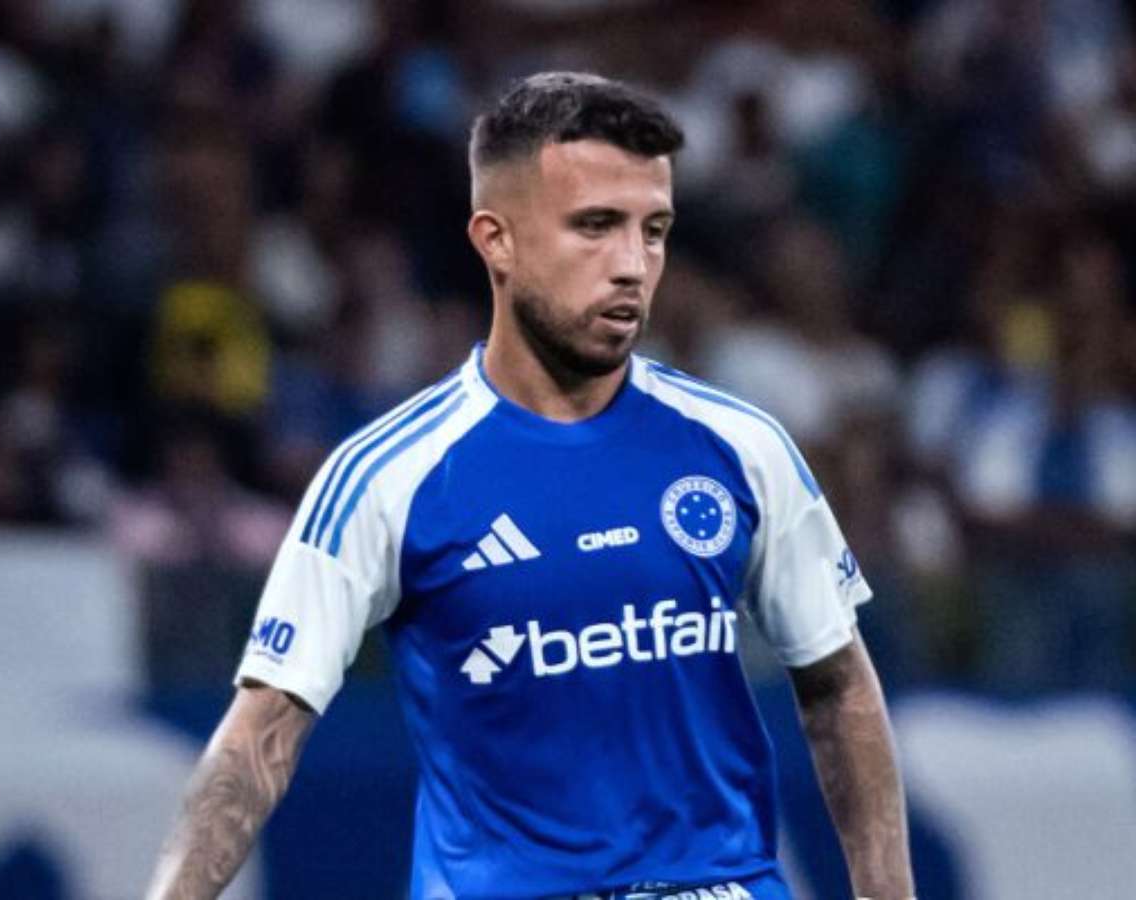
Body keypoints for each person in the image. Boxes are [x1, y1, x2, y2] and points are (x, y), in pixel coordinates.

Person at [146, 72, 915, 900]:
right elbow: (260, 734)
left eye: (653, 231)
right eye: (595, 226)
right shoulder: (388, 477)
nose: (633, 266)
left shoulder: (742, 445)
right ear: (496, 241)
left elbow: (838, 686)